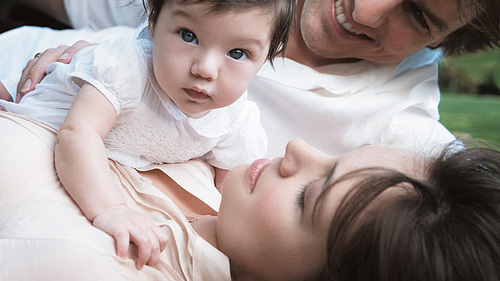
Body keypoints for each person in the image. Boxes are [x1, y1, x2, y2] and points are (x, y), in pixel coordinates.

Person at [0, 0, 498, 161]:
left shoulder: (402, 130)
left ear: (443, 41)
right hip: (25, 74)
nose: (367, 10)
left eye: (417, 15)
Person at [0, 0, 297, 267]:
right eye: (188, 35)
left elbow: (228, 192)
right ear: (154, 17)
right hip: (28, 114)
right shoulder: (127, 67)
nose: (205, 69)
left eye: (237, 53)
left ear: (270, 53)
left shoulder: (236, 119)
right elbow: (78, 135)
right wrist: (112, 210)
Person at [2, 110, 500, 280]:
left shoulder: (97, 265)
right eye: (336, 154)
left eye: (308, 197)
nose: (296, 150)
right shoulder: (209, 172)